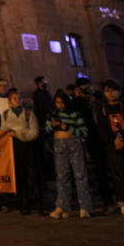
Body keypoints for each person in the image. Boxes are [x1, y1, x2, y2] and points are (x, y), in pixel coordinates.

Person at [45, 89, 91, 218]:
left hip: (74, 144)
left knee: (80, 175)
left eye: (62, 102)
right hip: (59, 145)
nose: (60, 105)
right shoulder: (52, 114)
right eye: (58, 102)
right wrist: (53, 126)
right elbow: (47, 129)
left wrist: (68, 128)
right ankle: (62, 206)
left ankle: (84, 207)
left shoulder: (74, 114)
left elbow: (84, 132)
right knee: (61, 176)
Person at [96, 80, 124, 221]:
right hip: (114, 147)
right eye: (107, 91)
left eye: (113, 90)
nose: (111, 94)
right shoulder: (102, 109)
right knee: (122, 177)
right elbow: (102, 128)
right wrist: (113, 141)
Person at [1, 88, 43, 215]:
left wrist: (18, 133)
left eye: (19, 98)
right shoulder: (6, 114)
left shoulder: (28, 113)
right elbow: (3, 130)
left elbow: (34, 131)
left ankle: (39, 203)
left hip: (28, 147)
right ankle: (24, 204)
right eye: (14, 98)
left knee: (32, 174)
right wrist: (8, 134)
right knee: (20, 175)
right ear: (9, 101)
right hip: (14, 147)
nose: (17, 100)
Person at [74, 76, 113, 212]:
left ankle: (119, 198)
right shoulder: (79, 102)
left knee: (112, 167)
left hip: (107, 137)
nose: (86, 91)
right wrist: (79, 98)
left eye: (87, 87)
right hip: (92, 139)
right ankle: (107, 199)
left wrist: (94, 99)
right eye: (83, 89)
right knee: (100, 168)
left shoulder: (99, 98)